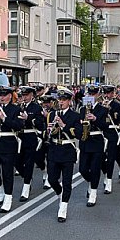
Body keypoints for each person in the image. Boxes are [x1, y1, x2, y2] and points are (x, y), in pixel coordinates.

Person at [0, 85, 25, 213]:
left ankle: (8, 198)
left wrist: (4, 118)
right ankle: (0, 191)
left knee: (7, 173)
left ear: (9, 96)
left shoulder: (16, 109)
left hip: (8, 144)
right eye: (0, 95)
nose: (1, 97)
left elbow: (18, 126)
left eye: (3, 95)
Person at [46, 87, 82, 222]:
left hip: (67, 150)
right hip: (54, 149)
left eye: (64, 100)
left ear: (69, 101)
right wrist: (49, 130)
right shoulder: (52, 114)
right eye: (59, 99)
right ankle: (60, 193)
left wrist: (63, 125)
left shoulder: (75, 116)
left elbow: (78, 134)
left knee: (67, 181)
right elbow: (47, 134)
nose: (61, 102)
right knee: (52, 179)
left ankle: (63, 207)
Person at [16, 86, 45, 202]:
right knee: (16, 162)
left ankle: (26, 186)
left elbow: (40, 124)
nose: (24, 97)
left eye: (26, 95)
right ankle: (26, 178)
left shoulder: (37, 108)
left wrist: (28, 118)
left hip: (30, 137)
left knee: (29, 163)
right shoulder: (18, 107)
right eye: (23, 95)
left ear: (32, 95)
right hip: (19, 137)